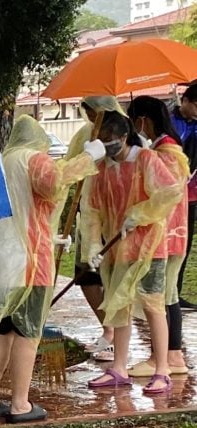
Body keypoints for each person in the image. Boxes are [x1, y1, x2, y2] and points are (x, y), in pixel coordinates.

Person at [0, 116, 103, 423]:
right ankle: (20, 404)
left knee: (1, 330)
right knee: (28, 333)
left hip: (0, 260)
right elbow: (54, 182)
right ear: (39, 141)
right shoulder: (33, 159)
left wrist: (51, 235)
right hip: (29, 262)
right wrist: (88, 158)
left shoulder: (5, 160)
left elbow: (23, 207)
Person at [81, 111, 183, 395]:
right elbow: (91, 211)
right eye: (101, 142)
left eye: (110, 141)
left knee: (153, 305)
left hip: (150, 246)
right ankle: (119, 368)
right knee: (118, 306)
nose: (107, 147)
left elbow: (170, 193)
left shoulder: (146, 160)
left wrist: (140, 214)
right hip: (118, 248)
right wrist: (92, 246)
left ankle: (162, 369)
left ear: (124, 136)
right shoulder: (101, 168)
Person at [127, 97, 191, 378]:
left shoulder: (166, 151)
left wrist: (137, 215)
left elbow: (163, 196)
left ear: (144, 120)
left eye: (133, 120)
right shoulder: (164, 147)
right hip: (171, 233)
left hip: (165, 235)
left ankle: (165, 358)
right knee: (167, 295)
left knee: (161, 297)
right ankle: (171, 355)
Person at [66, 96, 128, 359]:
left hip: (117, 217)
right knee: (86, 276)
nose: (91, 116)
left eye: (93, 111)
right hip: (89, 215)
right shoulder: (84, 134)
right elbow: (71, 170)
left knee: (115, 278)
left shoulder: (124, 131)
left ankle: (119, 342)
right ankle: (108, 329)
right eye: (87, 112)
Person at [170, 83, 197, 310]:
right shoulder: (170, 121)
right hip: (169, 194)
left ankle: (176, 294)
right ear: (185, 100)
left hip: (190, 194)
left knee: (184, 245)